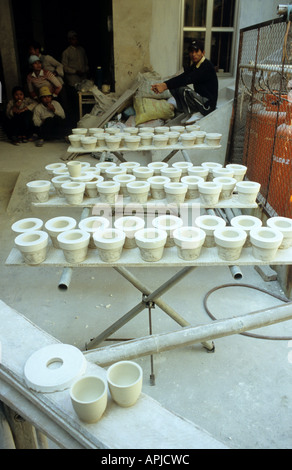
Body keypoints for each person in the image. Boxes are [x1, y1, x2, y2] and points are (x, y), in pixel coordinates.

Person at [151, 39, 218, 122]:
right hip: (200, 100)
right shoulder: (195, 65)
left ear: (203, 53)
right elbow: (183, 76)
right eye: (191, 52)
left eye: (197, 51)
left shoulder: (206, 67)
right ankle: (190, 113)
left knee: (183, 90)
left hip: (207, 105)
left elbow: (187, 79)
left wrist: (165, 86)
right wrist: (164, 84)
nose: (194, 54)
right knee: (174, 87)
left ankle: (199, 113)